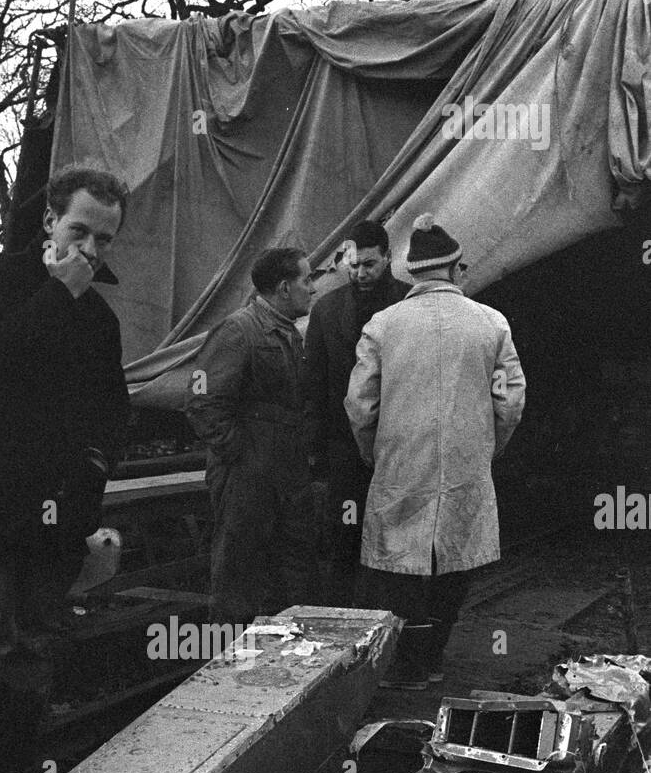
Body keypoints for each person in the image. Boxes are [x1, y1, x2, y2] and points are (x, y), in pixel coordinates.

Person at [0, 164, 131, 773]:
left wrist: (94, 474)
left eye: (104, 241)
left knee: (36, 646)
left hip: (57, 510)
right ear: (50, 220)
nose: (90, 250)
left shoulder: (100, 319)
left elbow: (112, 410)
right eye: (81, 230)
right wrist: (57, 293)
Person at [345, 213, 525, 689]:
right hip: (466, 465)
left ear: (412, 270)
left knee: (398, 567)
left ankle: (404, 666)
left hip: (401, 463)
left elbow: (360, 405)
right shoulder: (491, 323)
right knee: (454, 560)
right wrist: (486, 451)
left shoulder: (382, 326)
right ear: (455, 268)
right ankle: (431, 659)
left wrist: (374, 453)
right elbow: (509, 401)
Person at [186, 247, 320, 627]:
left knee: (286, 577)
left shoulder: (288, 334)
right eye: (306, 280)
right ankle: (225, 670)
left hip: (285, 475)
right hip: (247, 477)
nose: (312, 288)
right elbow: (201, 401)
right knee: (237, 577)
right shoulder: (237, 331)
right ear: (283, 287)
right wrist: (241, 456)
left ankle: (280, 674)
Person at [304, 221, 409, 603]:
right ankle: (345, 618)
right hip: (344, 451)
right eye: (353, 265)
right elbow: (314, 384)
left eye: (369, 264)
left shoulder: (410, 306)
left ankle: (392, 621)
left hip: (400, 448)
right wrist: (316, 451)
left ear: (388, 257)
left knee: (397, 540)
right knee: (345, 535)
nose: (360, 273)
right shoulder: (327, 311)